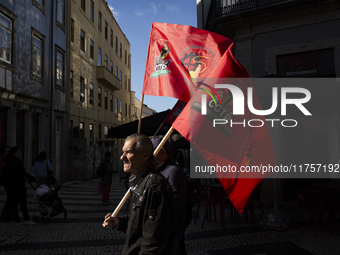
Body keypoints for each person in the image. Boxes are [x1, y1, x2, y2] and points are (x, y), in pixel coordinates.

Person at [102, 133, 176, 255]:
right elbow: (139, 223)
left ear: (146, 156)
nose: (122, 157)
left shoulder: (154, 186)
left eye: (128, 152)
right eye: (122, 152)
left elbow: (153, 243)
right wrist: (119, 222)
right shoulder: (140, 183)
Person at [151, 137, 188, 255]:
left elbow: (174, 203)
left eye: (152, 151)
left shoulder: (172, 171)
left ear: (162, 152)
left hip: (169, 231)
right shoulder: (161, 169)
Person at [3, 147, 36, 225]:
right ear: (14, 153)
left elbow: (15, 174)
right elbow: (22, 172)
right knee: (23, 203)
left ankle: (17, 220)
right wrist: (33, 178)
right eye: (18, 152)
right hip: (19, 186)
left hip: (12, 185)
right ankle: (27, 219)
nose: (20, 154)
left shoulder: (8, 161)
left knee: (15, 203)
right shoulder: (17, 161)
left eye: (20, 152)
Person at [0, 145, 11, 222]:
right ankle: (4, 216)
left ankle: (7, 215)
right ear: (3, 152)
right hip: (4, 181)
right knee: (10, 198)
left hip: (6, 181)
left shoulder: (8, 160)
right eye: (7, 151)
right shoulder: (2, 160)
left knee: (10, 198)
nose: (9, 152)